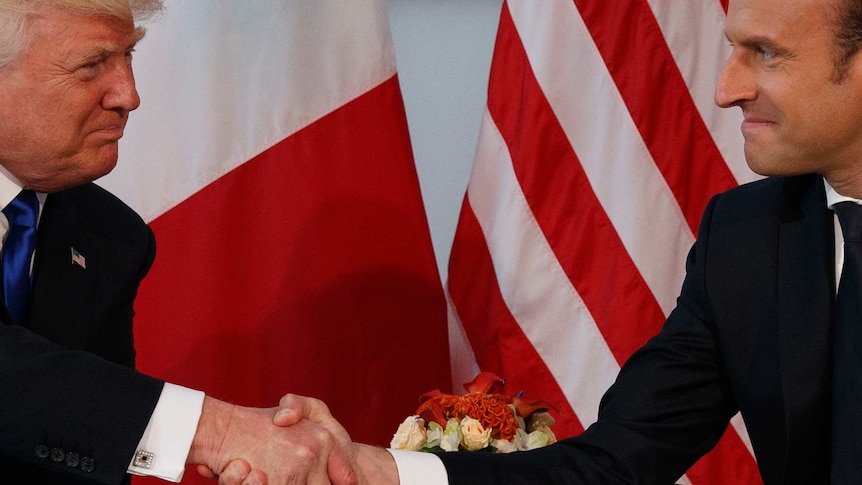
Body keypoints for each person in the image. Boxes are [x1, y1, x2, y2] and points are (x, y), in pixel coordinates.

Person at [260, 0, 862, 482]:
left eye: (765, 54)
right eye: (734, 48)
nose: (725, 90)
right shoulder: (745, 236)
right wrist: (374, 471)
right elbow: (615, 462)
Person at [0, 1, 355, 484]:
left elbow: (75, 441)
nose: (129, 95)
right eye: (91, 66)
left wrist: (264, 444)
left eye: (130, 57)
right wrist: (218, 430)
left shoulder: (111, 236)